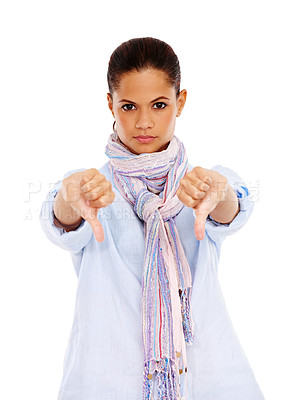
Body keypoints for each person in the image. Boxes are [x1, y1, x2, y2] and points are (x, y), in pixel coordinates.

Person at [40, 37, 264, 400]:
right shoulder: (92, 187)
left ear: (181, 102)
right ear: (110, 104)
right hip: (107, 380)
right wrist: (68, 203)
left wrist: (219, 194)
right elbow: (61, 220)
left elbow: (231, 207)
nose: (144, 122)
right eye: (129, 106)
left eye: (159, 104)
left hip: (205, 378)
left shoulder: (200, 183)